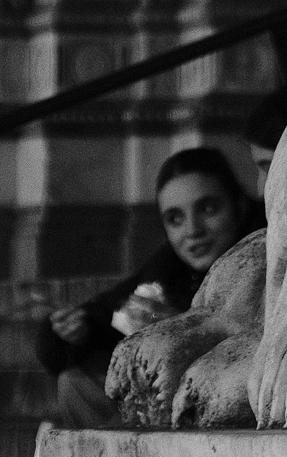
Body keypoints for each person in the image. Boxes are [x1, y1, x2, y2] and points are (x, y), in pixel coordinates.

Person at [34, 148, 262, 427]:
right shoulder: (171, 265)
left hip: (241, 394)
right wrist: (77, 329)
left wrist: (181, 329)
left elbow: (256, 340)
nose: (192, 230)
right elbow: (110, 310)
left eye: (208, 209)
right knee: (76, 381)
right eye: (175, 219)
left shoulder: (262, 253)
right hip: (168, 400)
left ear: (239, 205)